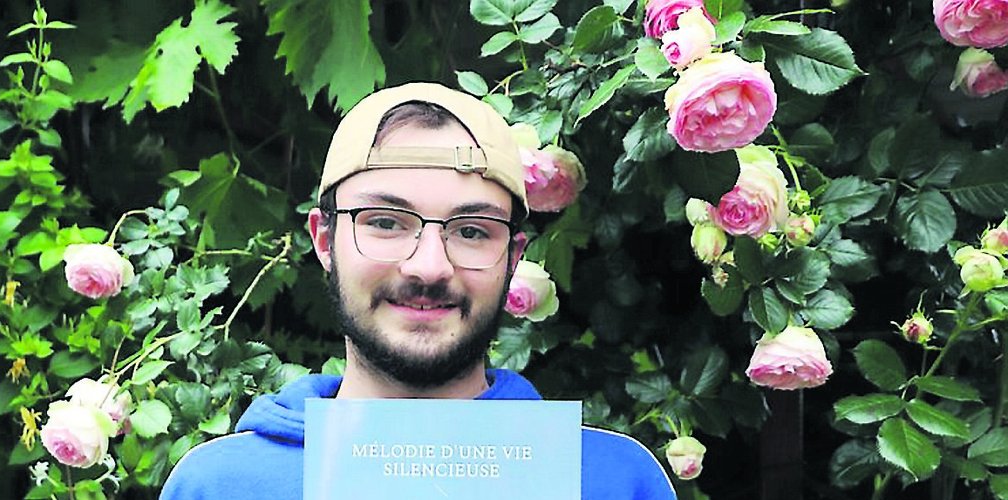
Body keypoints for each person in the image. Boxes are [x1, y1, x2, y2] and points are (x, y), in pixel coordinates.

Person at [160, 82, 676, 499]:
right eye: (385, 222)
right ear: (324, 240)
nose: (429, 267)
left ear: (514, 257)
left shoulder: (614, 481)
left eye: (472, 230)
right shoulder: (218, 485)